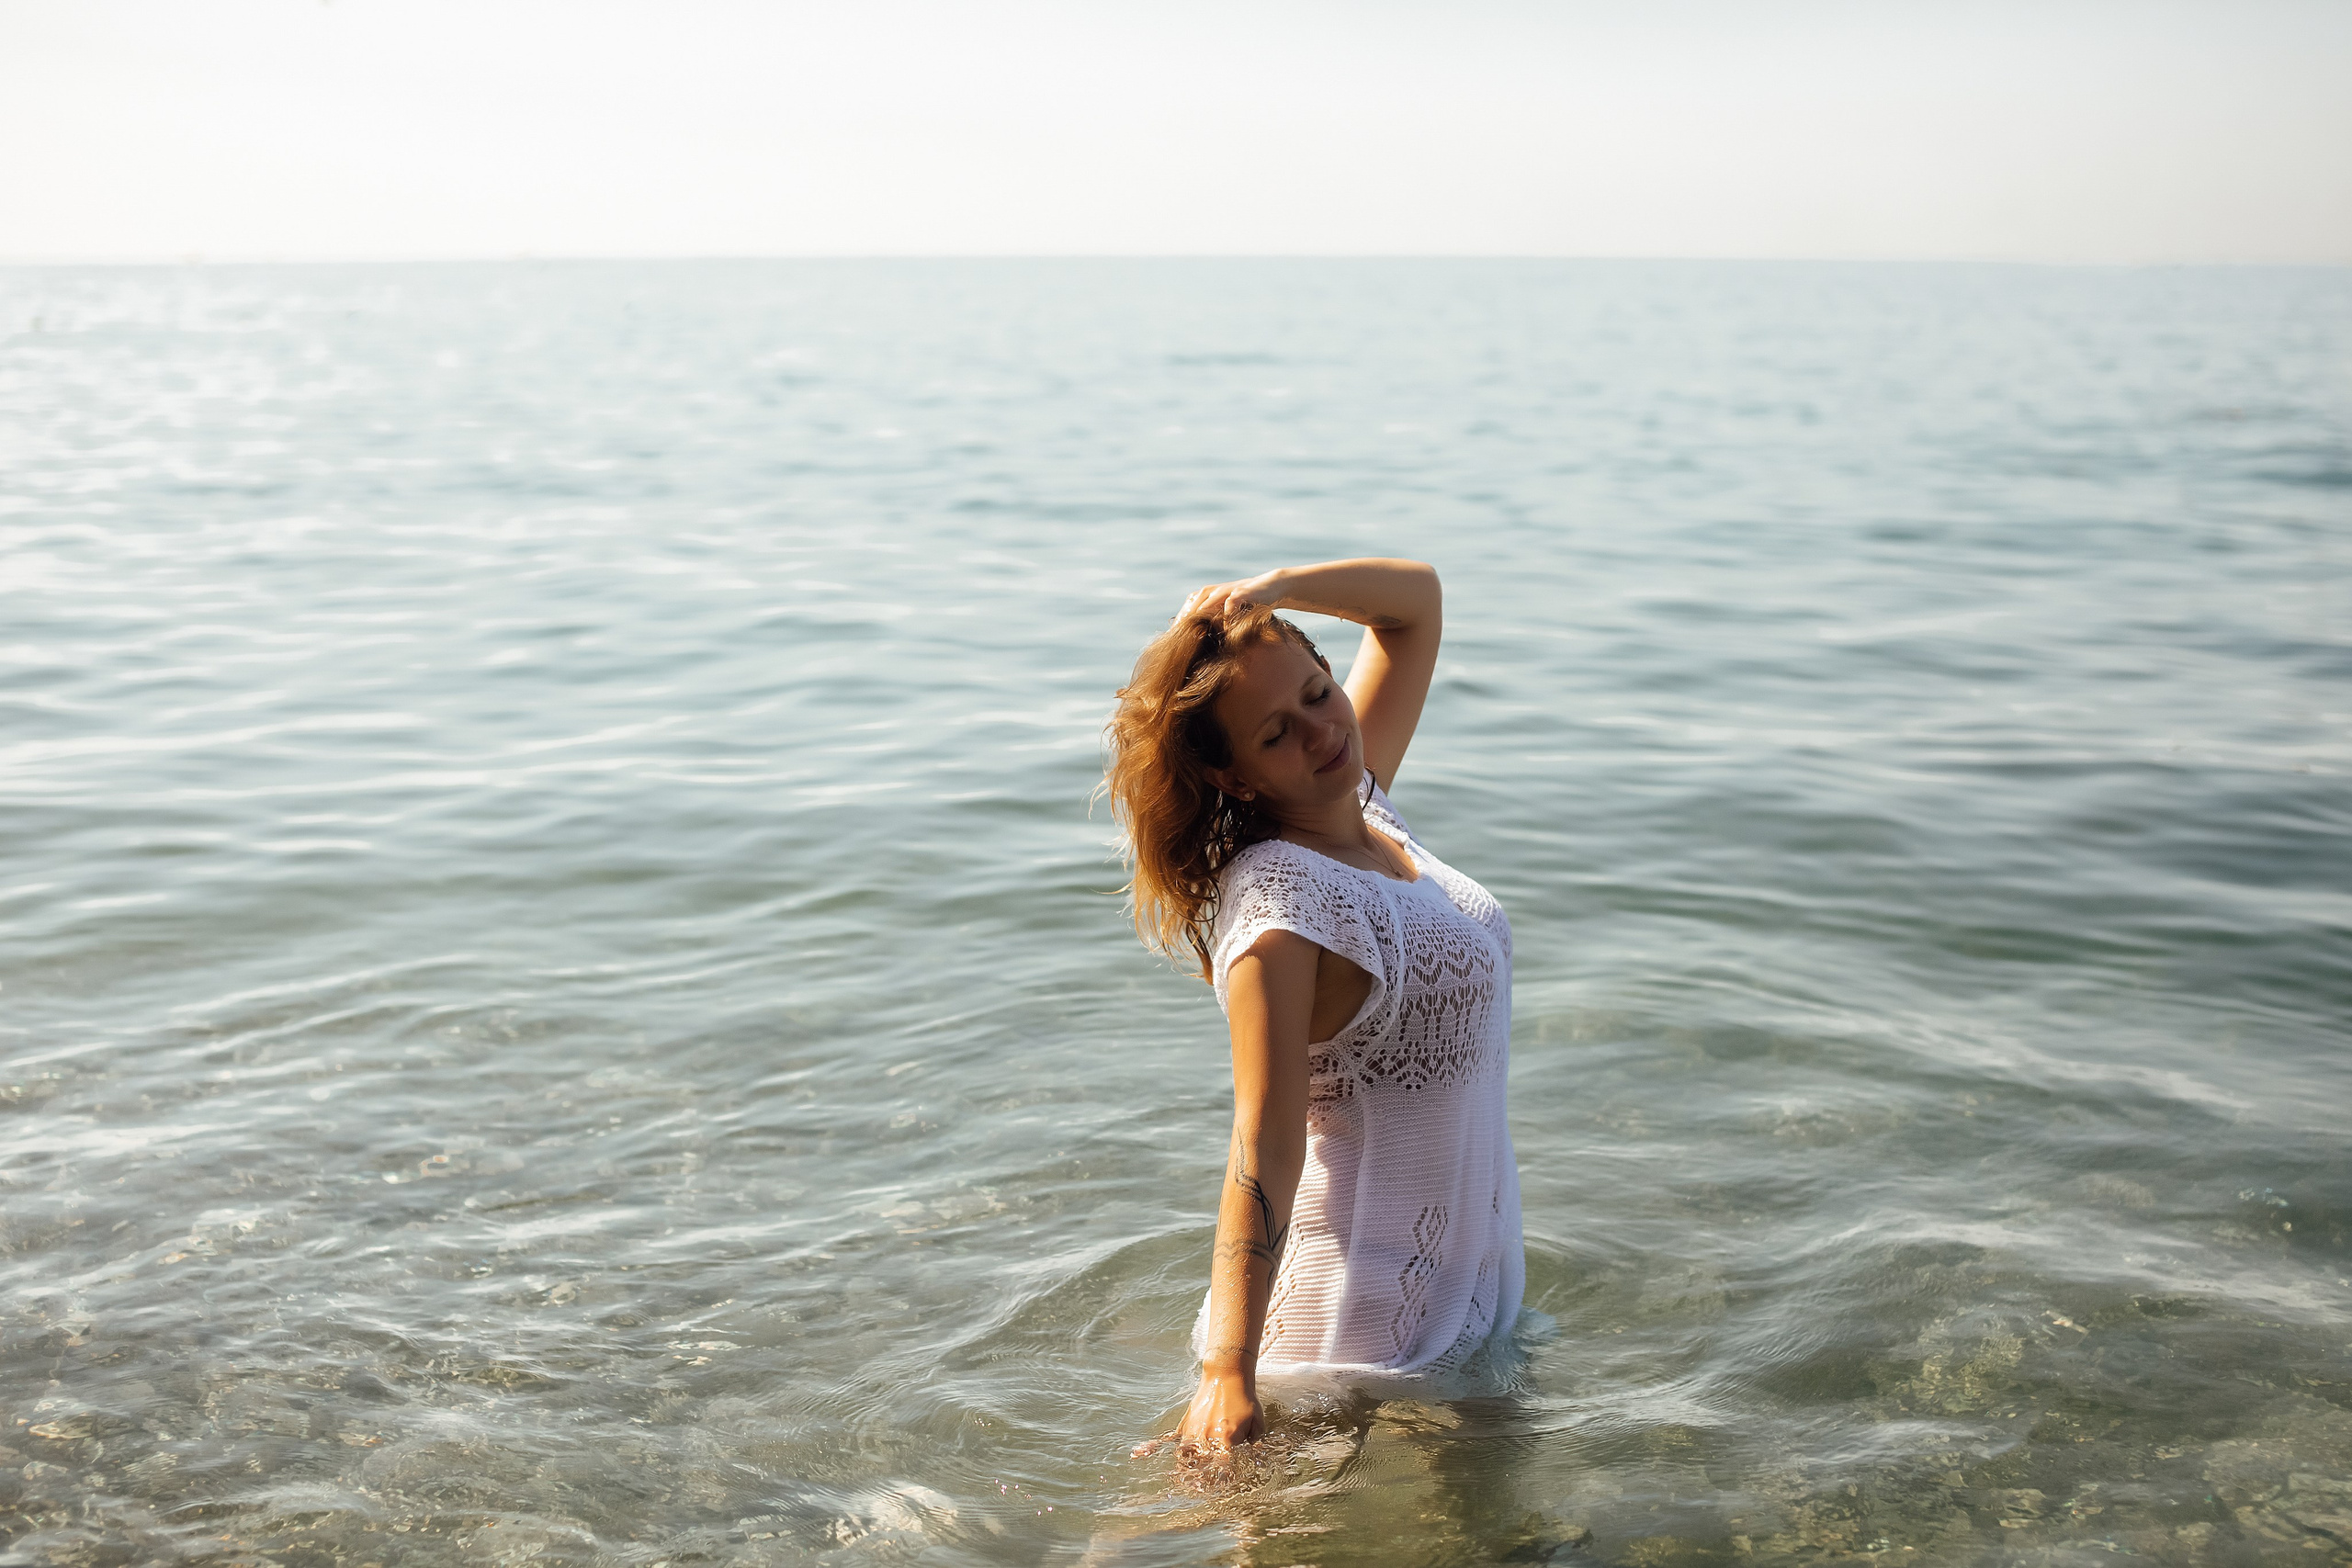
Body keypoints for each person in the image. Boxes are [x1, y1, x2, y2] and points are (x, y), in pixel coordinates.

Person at [1101, 557, 1523, 1456]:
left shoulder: (1366, 813)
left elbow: (1415, 607)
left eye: (1317, 690)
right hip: (1353, 1335)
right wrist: (1226, 1374)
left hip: (1456, 1306)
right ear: (1240, 780)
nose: (1320, 731)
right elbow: (1264, 1141)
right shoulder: (1280, 900)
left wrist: (1273, 590)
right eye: (1275, 732)